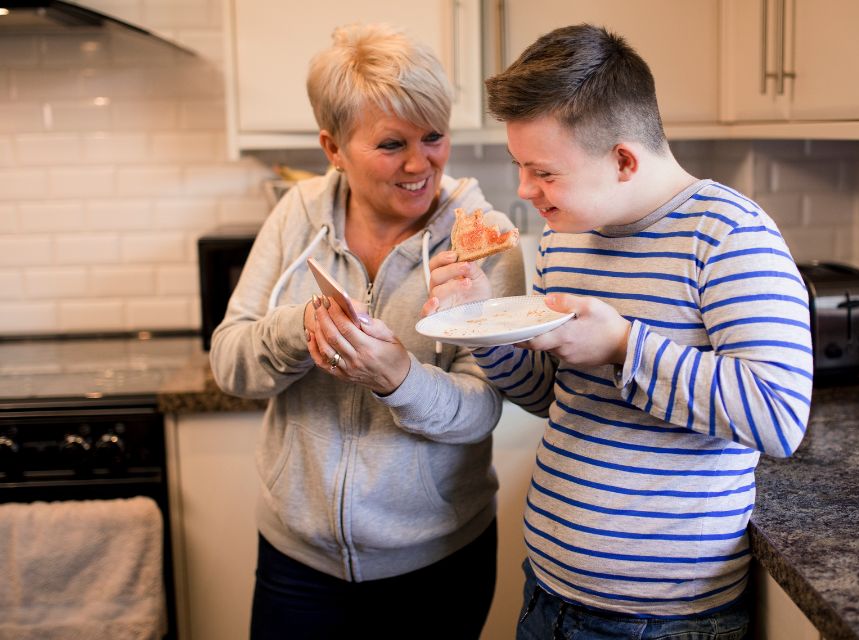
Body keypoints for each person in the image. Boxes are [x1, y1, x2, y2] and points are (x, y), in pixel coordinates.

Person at [424, 24, 813, 639]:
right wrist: (482, 321)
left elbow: (779, 415)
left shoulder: (731, 236)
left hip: (664, 621)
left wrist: (625, 346)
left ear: (624, 159)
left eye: (544, 173)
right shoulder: (564, 233)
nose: (525, 193)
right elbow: (553, 395)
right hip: (547, 592)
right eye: (519, 166)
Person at [210, 23, 525, 639]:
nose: (420, 163)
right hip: (296, 561)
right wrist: (299, 331)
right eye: (390, 144)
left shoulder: (480, 237)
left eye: (434, 136)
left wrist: (399, 379)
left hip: (437, 564)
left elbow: (484, 407)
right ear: (333, 148)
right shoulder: (295, 218)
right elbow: (230, 362)